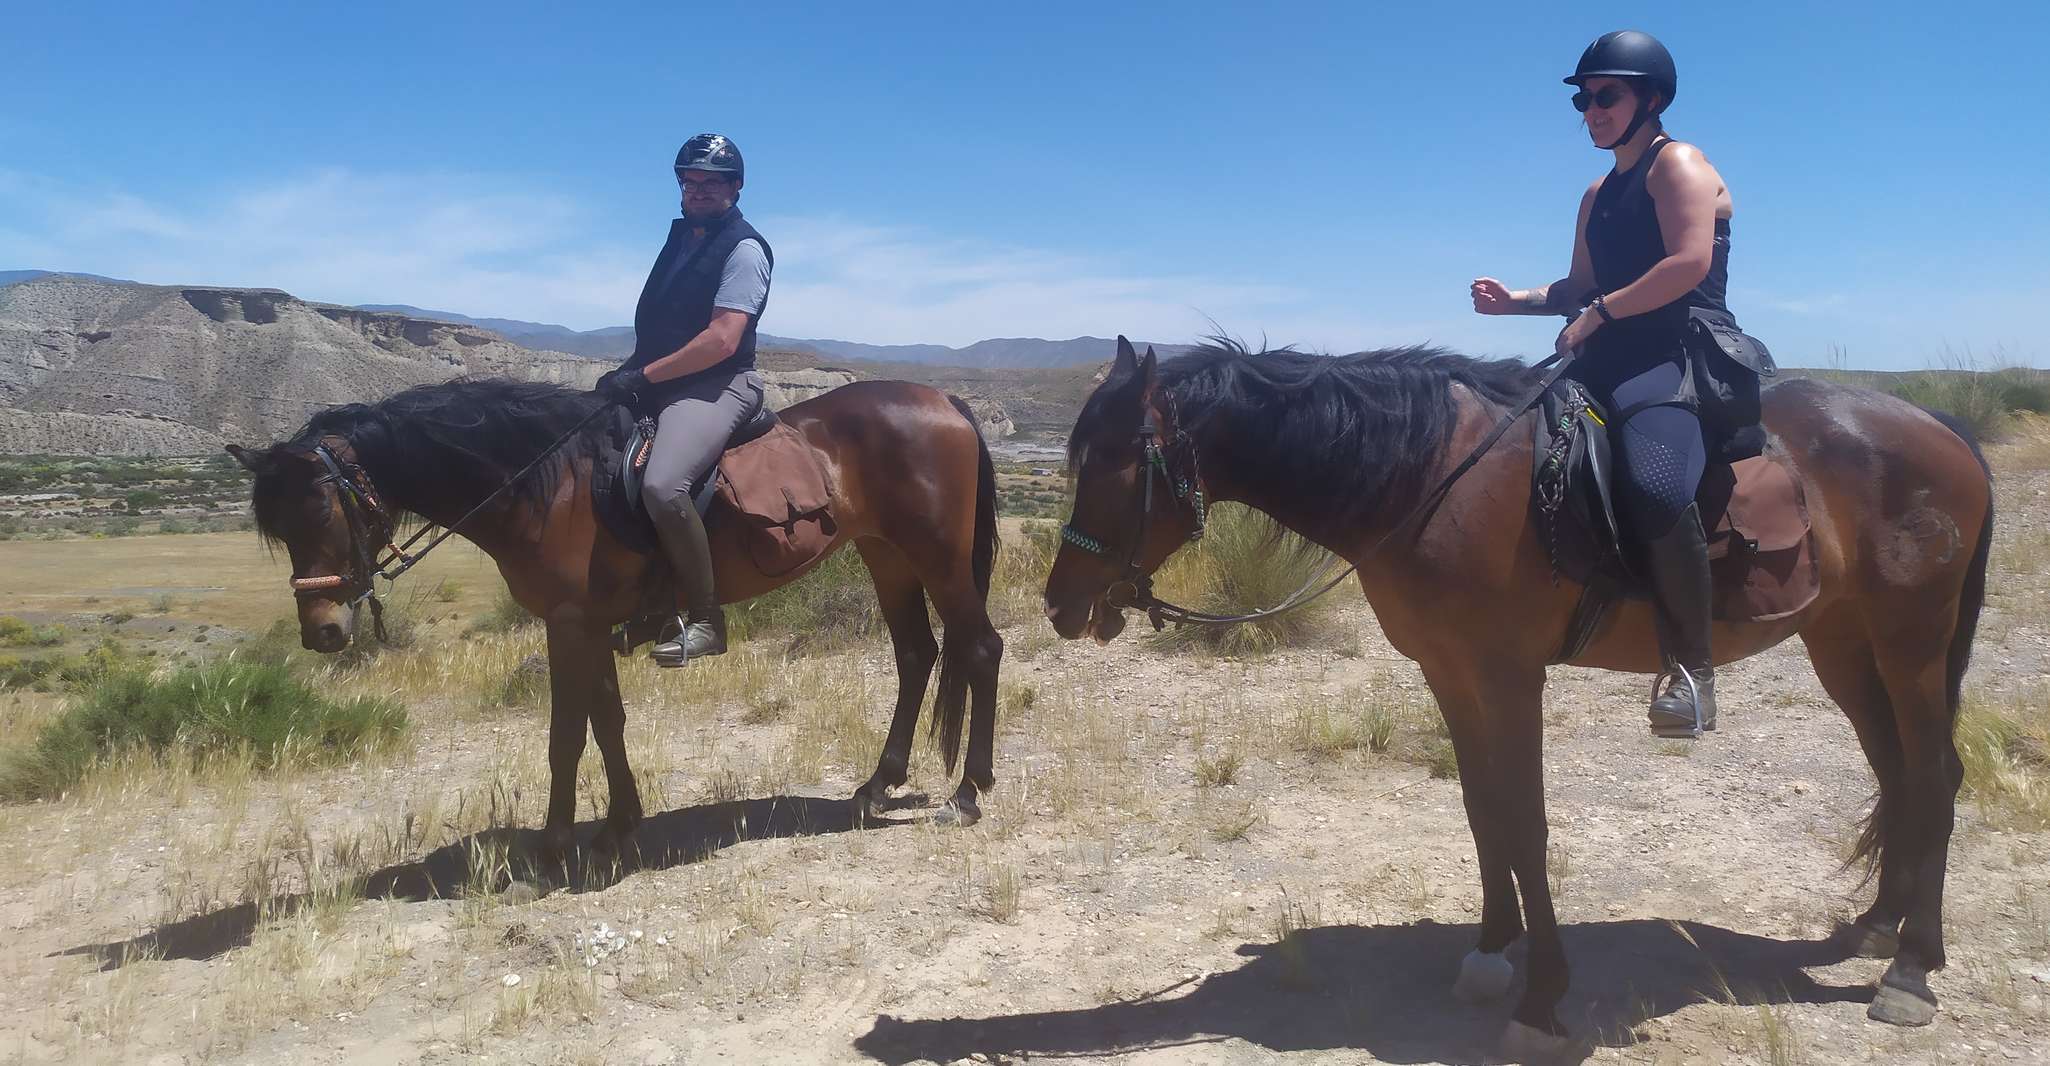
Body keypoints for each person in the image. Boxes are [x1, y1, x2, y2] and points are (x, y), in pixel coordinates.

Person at [1471, 30, 1744, 738]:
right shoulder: (1598, 192)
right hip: (1605, 351)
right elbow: (1579, 285)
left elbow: (1686, 264)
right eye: (1583, 98)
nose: (1590, 109)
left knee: (1656, 485)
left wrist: (1596, 314)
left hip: (1674, 352)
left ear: (1650, 97)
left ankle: (1691, 671)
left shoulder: (1677, 164)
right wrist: (1520, 302)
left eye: (1605, 95)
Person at [595, 133, 773, 666]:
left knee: (663, 483)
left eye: (710, 181)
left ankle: (705, 619)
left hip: (717, 385)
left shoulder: (743, 248)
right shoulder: (683, 238)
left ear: (735, 187)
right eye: (688, 181)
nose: (696, 190)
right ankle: (649, 603)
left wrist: (644, 376)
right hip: (659, 378)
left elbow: (723, 338)